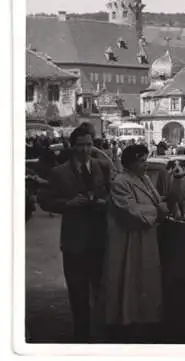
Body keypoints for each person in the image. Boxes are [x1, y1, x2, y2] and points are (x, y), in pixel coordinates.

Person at [39, 125, 111, 342]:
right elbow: (45, 201)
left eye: (89, 144)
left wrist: (103, 203)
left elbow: (113, 195)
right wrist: (68, 204)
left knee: (102, 290)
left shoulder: (103, 166)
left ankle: (102, 334)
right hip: (74, 241)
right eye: (80, 145)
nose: (85, 149)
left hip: (100, 239)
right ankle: (82, 336)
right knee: (78, 292)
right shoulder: (58, 172)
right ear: (72, 146)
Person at [100, 144, 169, 342]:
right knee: (127, 279)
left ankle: (143, 321)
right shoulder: (121, 182)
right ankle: (124, 323)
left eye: (146, 160)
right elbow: (129, 210)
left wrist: (168, 202)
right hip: (127, 240)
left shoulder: (144, 179)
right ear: (131, 163)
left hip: (145, 239)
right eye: (142, 161)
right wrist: (158, 211)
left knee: (144, 279)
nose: (145, 165)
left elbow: (155, 201)